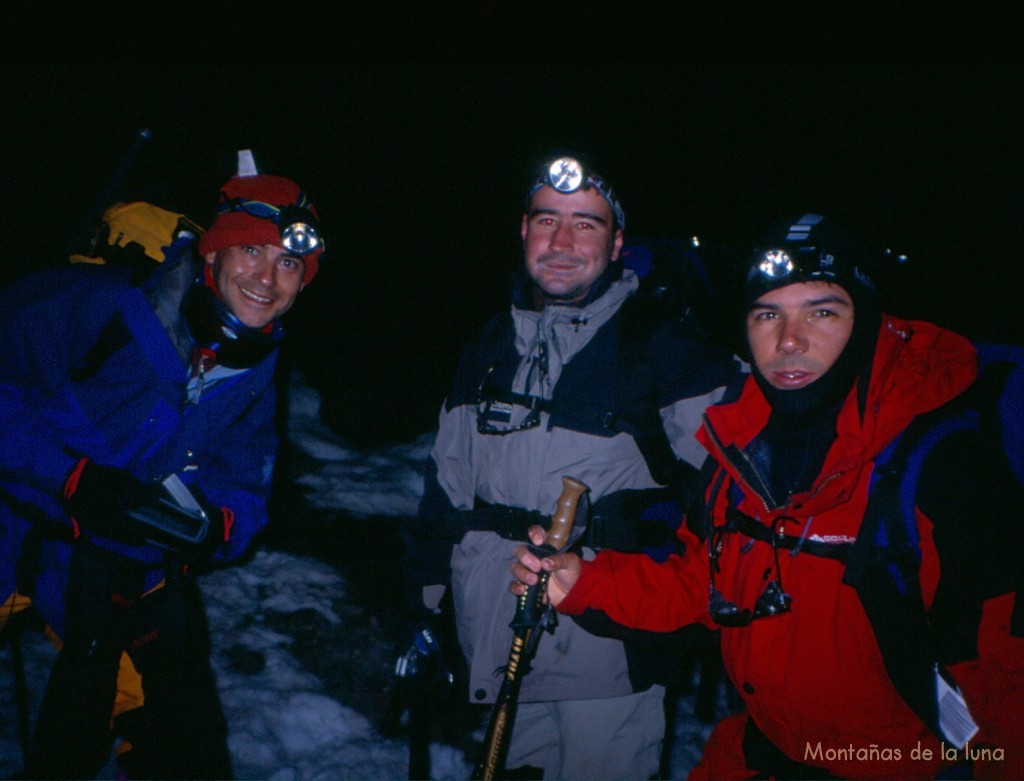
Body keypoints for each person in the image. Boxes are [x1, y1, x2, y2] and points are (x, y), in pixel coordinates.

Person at [511, 212, 1024, 780]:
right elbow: (701, 584)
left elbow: (1008, 676)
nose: (788, 340)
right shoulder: (739, 450)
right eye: (767, 313)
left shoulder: (946, 464)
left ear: (870, 320)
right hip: (764, 754)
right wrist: (584, 581)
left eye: (823, 311)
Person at [402, 154, 740, 780]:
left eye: (585, 225)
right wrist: (426, 611)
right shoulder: (488, 345)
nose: (561, 242)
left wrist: (665, 569)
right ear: (522, 231)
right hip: (500, 644)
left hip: (608, 659)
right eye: (546, 220)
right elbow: (446, 489)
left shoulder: (665, 348)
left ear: (616, 244)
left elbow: (738, 497)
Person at [0, 151, 325, 779]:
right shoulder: (94, 305)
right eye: (252, 251)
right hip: (11, 525)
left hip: (103, 569)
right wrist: (70, 477)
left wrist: (217, 526)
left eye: (290, 263)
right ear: (213, 255)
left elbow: (244, 479)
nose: (269, 277)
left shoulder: (255, 367)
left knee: (176, 743)